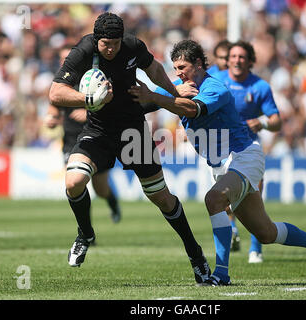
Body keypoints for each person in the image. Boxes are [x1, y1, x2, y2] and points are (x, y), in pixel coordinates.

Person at [129, 39, 306, 286]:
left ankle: (220, 274)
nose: (177, 74)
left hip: (244, 156)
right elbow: (146, 102)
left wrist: (155, 96)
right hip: (222, 166)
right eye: (175, 68)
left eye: (182, 67)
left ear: (198, 64)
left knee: (214, 200)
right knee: (266, 233)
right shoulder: (178, 87)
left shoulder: (216, 88)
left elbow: (192, 110)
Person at [48, 12, 211, 285]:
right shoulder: (84, 50)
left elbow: (155, 69)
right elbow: (55, 92)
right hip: (98, 131)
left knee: (161, 197)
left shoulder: (133, 46)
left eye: (115, 43)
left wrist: (173, 91)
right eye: (105, 44)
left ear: (121, 38)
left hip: (133, 131)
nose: (110, 48)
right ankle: (85, 234)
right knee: (74, 181)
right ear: (96, 40)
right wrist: (88, 98)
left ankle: (195, 255)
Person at [212, 40, 281, 263]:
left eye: (242, 57)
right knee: (225, 200)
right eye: (233, 56)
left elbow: (276, 121)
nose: (237, 60)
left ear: (250, 61)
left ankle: (255, 247)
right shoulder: (218, 81)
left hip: (249, 150)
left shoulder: (260, 86)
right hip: (222, 151)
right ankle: (232, 232)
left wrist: (261, 122)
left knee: (254, 197)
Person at [45, 44, 122, 226]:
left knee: (101, 189)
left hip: (94, 137)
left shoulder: (91, 77)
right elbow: (53, 106)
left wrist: (87, 112)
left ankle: (112, 202)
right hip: (71, 141)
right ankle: (86, 231)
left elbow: (110, 104)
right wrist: (51, 119)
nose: (65, 61)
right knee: (76, 184)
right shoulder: (60, 83)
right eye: (62, 58)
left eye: (67, 57)